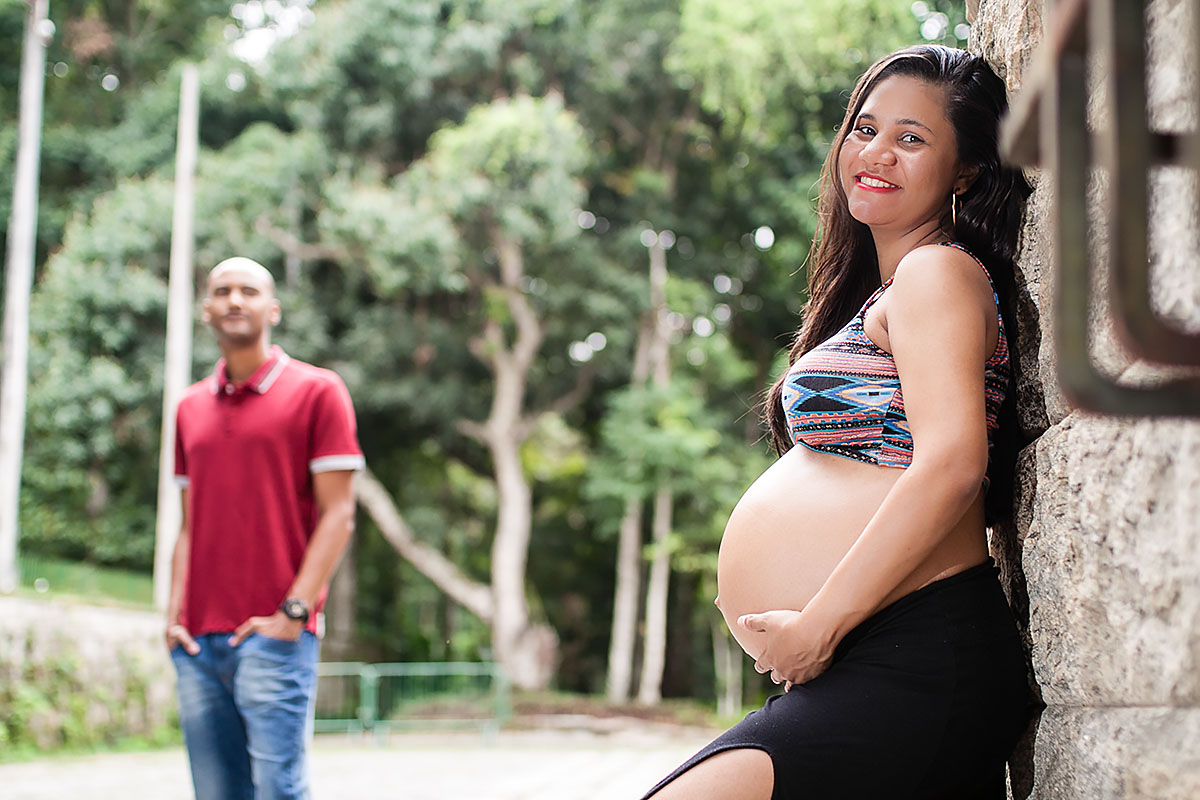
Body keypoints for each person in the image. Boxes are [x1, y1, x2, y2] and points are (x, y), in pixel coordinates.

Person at [642, 45, 1032, 800]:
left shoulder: (936, 272)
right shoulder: (887, 291)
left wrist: (817, 626)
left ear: (965, 172)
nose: (877, 152)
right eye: (865, 128)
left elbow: (953, 466)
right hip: (875, 655)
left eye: (911, 138)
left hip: (915, 656)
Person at [165, 256, 363, 800]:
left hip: (274, 636)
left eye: (248, 291)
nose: (234, 300)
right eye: (222, 291)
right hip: (197, 644)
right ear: (206, 310)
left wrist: (294, 613)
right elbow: (189, 525)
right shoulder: (187, 408)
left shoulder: (318, 391)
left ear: (272, 309)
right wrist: (174, 616)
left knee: (279, 792)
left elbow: (340, 514)